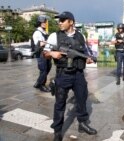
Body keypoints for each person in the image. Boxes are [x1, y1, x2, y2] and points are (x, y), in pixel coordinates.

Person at [43, 11, 97, 141]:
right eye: (59, 21)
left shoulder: (81, 36)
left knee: (82, 99)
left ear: (71, 22)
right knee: (60, 103)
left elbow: (84, 52)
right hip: (63, 74)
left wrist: (88, 59)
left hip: (78, 74)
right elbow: (44, 53)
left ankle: (82, 123)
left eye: (63, 20)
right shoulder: (54, 36)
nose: (59, 23)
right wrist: (51, 54)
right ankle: (57, 131)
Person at [32, 15, 52, 92]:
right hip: (41, 53)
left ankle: (38, 83)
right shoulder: (37, 32)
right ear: (40, 23)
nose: (46, 24)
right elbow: (39, 44)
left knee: (48, 67)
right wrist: (48, 42)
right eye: (44, 22)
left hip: (46, 53)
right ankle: (41, 85)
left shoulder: (44, 32)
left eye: (45, 22)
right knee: (43, 70)